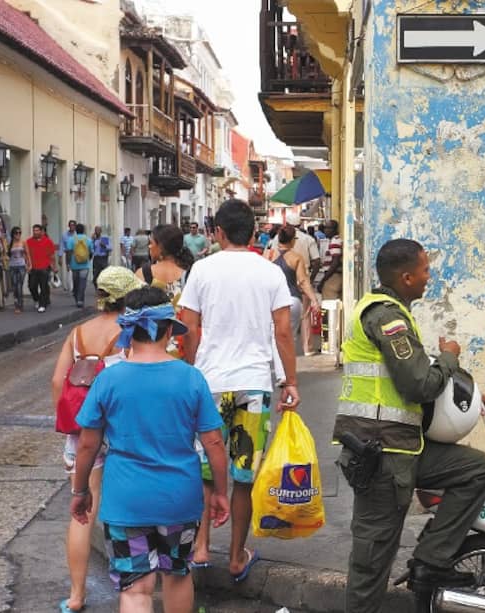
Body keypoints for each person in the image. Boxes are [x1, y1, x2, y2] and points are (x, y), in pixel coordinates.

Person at [334, 238, 485, 612]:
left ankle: (431, 559)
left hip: (403, 449)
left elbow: (417, 384)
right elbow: (418, 384)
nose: (429, 277)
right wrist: (449, 357)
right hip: (381, 455)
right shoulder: (386, 317)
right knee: (372, 557)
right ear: (406, 277)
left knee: (476, 469)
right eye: (425, 270)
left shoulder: (396, 313)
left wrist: (472, 395)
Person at [70, 285, 230, 613]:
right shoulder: (191, 378)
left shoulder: (109, 380)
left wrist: (80, 490)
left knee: (136, 587)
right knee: (177, 575)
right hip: (179, 498)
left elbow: (88, 443)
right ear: (170, 330)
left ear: (128, 330)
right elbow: (213, 442)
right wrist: (220, 492)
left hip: (126, 500)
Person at [178, 198, 300, 577]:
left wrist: (190, 372)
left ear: (216, 232)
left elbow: (188, 329)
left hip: (209, 385)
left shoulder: (201, 270)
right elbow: (282, 331)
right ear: (253, 232)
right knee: (244, 477)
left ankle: (199, 549)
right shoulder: (269, 273)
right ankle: (235, 557)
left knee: (203, 473)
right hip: (253, 387)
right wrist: (290, 382)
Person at [51, 266, 144, 613]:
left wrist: (69, 423)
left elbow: (58, 382)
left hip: (82, 431)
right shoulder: (132, 333)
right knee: (127, 509)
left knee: (81, 510)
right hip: (122, 431)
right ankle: (135, 587)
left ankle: (76, 596)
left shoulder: (78, 334)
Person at [271, 225, 320, 352]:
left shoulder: (269, 254)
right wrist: (314, 300)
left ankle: (274, 367)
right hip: (292, 300)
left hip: (271, 301)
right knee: (289, 339)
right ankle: (286, 368)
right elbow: (303, 281)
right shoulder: (296, 258)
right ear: (293, 240)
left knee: (272, 337)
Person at [136, 224, 194, 302]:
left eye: (151, 243)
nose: (149, 246)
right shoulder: (190, 273)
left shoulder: (143, 273)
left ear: (160, 246)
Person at [26, 224, 57, 313]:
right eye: (34, 231)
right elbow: (26, 255)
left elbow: (52, 256)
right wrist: (27, 265)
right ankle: (37, 299)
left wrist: (54, 267)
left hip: (44, 267)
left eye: (37, 230)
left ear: (41, 231)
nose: (35, 232)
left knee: (43, 287)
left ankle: (42, 304)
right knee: (32, 286)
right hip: (33, 268)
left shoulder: (48, 241)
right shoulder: (29, 242)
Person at [66, 224, 94, 308]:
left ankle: (76, 297)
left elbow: (69, 252)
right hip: (85, 265)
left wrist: (68, 262)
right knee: (82, 282)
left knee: (76, 282)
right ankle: (80, 300)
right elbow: (91, 252)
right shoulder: (88, 240)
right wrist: (88, 259)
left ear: (76, 230)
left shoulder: (71, 239)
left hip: (74, 265)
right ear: (84, 230)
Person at [316, 219, 342, 301]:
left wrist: (323, 280)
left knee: (328, 303)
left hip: (333, 276)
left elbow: (335, 262)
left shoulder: (335, 242)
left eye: (328, 228)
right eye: (325, 228)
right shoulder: (335, 240)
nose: (325, 230)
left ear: (334, 230)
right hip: (333, 275)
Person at [7, 227, 31, 314]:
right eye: (16, 233)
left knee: (19, 285)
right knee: (14, 286)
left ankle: (19, 305)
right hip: (12, 266)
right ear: (13, 234)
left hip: (21, 266)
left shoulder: (23, 242)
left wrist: (29, 264)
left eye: (19, 233)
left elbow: (27, 254)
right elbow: (7, 255)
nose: (18, 235)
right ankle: (17, 303)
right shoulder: (10, 244)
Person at [59, 220, 77, 292]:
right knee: (69, 270)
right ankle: (71, 287)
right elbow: (61, 246)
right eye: (71, 225)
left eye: (73, 225)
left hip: (76, 254)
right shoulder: (65, 235)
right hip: (69, 254)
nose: (72, 227)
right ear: (68, 226)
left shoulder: (77, 235)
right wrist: (60, 256)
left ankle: (75, 286)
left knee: (76, 271)